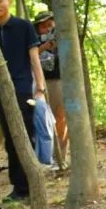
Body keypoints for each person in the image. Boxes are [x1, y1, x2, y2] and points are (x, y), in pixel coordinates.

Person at [0, 0, 46, 202]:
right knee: (10, 138)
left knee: (25, 134)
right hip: (1, 88)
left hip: (22, 88)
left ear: (8, 0)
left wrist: (40, 88)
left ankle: (31, 184)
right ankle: (19, 186)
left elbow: (34, 58)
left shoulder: (24, 26)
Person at [33, 12, 67, 160]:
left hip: (59, 82)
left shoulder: (63, 40)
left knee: (61, 119)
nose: (47, 29)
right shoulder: (34, 42)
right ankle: (45, 156)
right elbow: (29, 58)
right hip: (40, 84)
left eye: (50, 25)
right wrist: (44, 46)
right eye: (43, 26)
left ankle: (60, 157)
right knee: (43, 120)